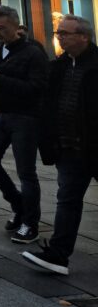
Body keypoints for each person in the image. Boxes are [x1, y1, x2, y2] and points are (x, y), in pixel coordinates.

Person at [23, 15, 98, 276]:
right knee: (67, 200)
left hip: (94, 146)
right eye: (58, 33)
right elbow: (48, 105)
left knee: (68, 200)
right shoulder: (58, 67)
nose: (60, 37)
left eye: (65, 33)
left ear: (83, 37)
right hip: (69, 149)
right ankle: (58, 255)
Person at [0, 6, 47, 244]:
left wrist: (0, 79)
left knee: (26, 172)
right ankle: (18, 205)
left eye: (2, 28)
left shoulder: (33, 52)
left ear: (17, 27)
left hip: (24, 117)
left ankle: (30, 223)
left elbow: (37, 89)